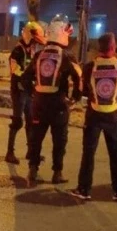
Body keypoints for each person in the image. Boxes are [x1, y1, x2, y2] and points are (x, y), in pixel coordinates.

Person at [68, 33, 117, 202]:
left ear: (99, 47)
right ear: (113, 47)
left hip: (94, 116)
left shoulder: (89, 67)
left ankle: (84, 189)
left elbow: (83, 91)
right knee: (116, 153)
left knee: (88, 153)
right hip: (114, 116)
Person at [22, 14, 82, 186]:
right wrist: (74, 98)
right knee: (59, 140)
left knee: (36, 138)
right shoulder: (67, 56)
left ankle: (33, 169)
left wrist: (33, 93)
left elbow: (25, 78)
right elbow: (79, 78)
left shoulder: (39, 55)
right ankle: (57, 173)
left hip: (39, 103)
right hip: (58, 105)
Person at [5, 21, 46, 164]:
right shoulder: (18, 50)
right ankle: (9, 152)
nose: (36, 43)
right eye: (34, 40)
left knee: (31, 121)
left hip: (28, 90)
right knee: (17, 121)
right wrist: (27, 77)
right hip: (19, 90)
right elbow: (15, 70)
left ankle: (31, 152)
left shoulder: (31, 49)